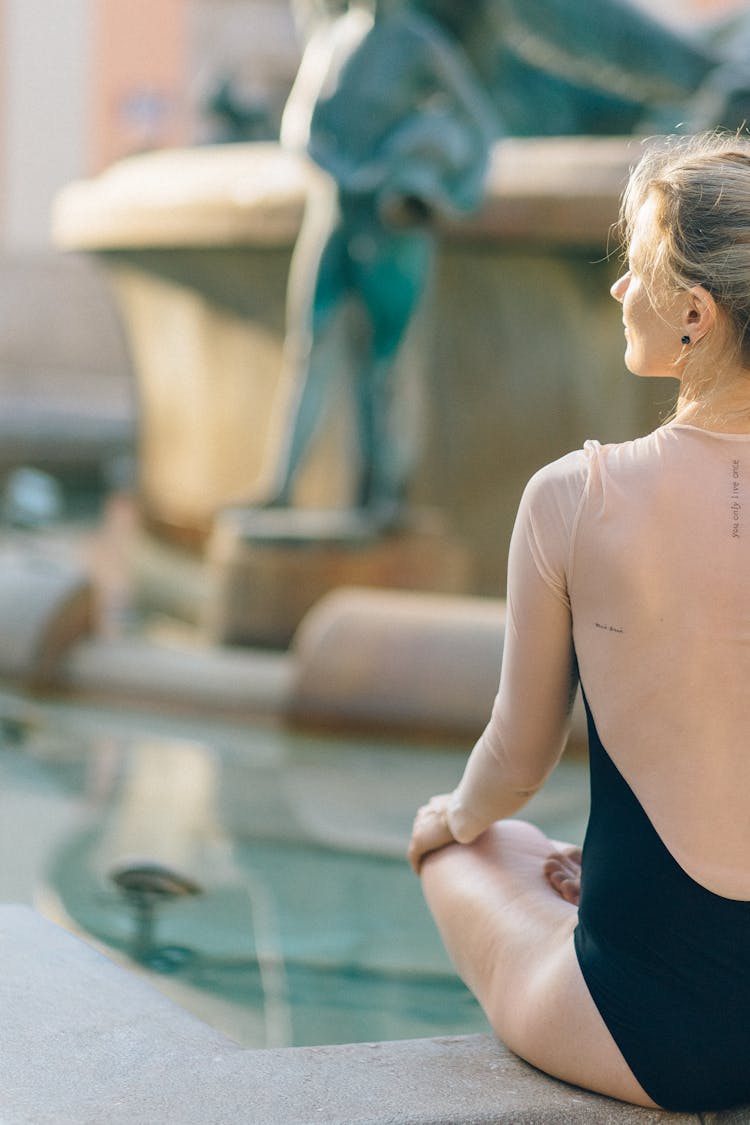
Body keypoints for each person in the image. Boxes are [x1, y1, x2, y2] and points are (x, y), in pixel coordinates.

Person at [408, 130, 750, 1113]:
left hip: (654, 1035)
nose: (617, 292)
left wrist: (450, 820)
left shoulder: (577, 496)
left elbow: (515, 761)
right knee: (545, 850)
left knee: (480, 845)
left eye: (635, 267)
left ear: (694, 312)